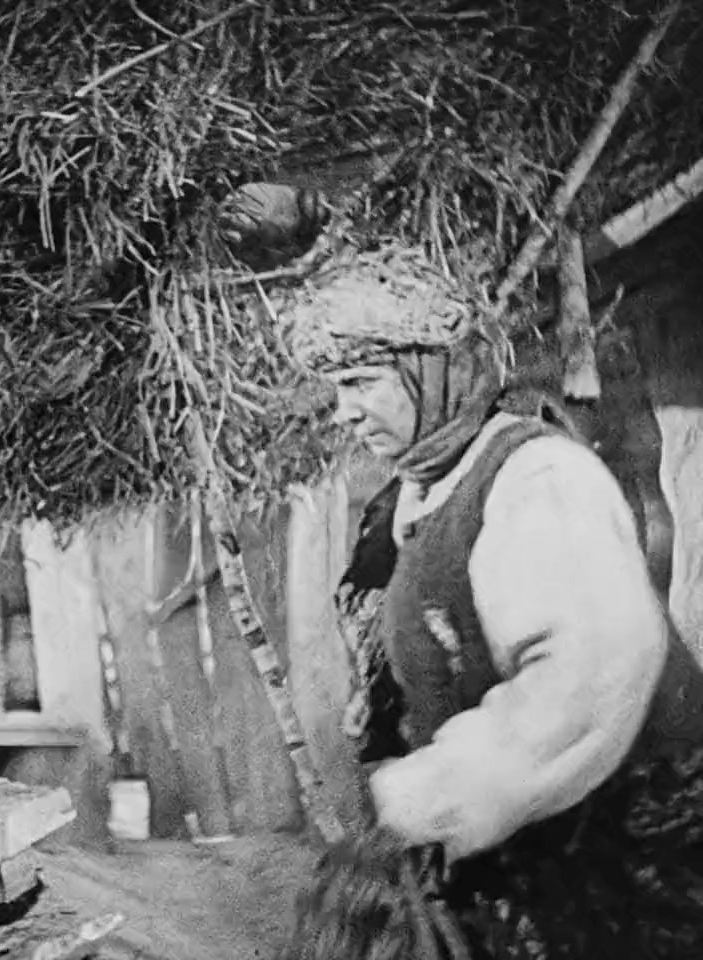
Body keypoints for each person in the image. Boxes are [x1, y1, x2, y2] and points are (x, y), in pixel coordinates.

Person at [280, 246, 703, 960]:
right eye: (337, 387)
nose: (344, 411)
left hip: (627, 861)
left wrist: (424, 800)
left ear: (430, 369)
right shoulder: (422, 494)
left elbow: (581, 682)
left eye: (361, 381)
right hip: (535, 850)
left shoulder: (537, 478)